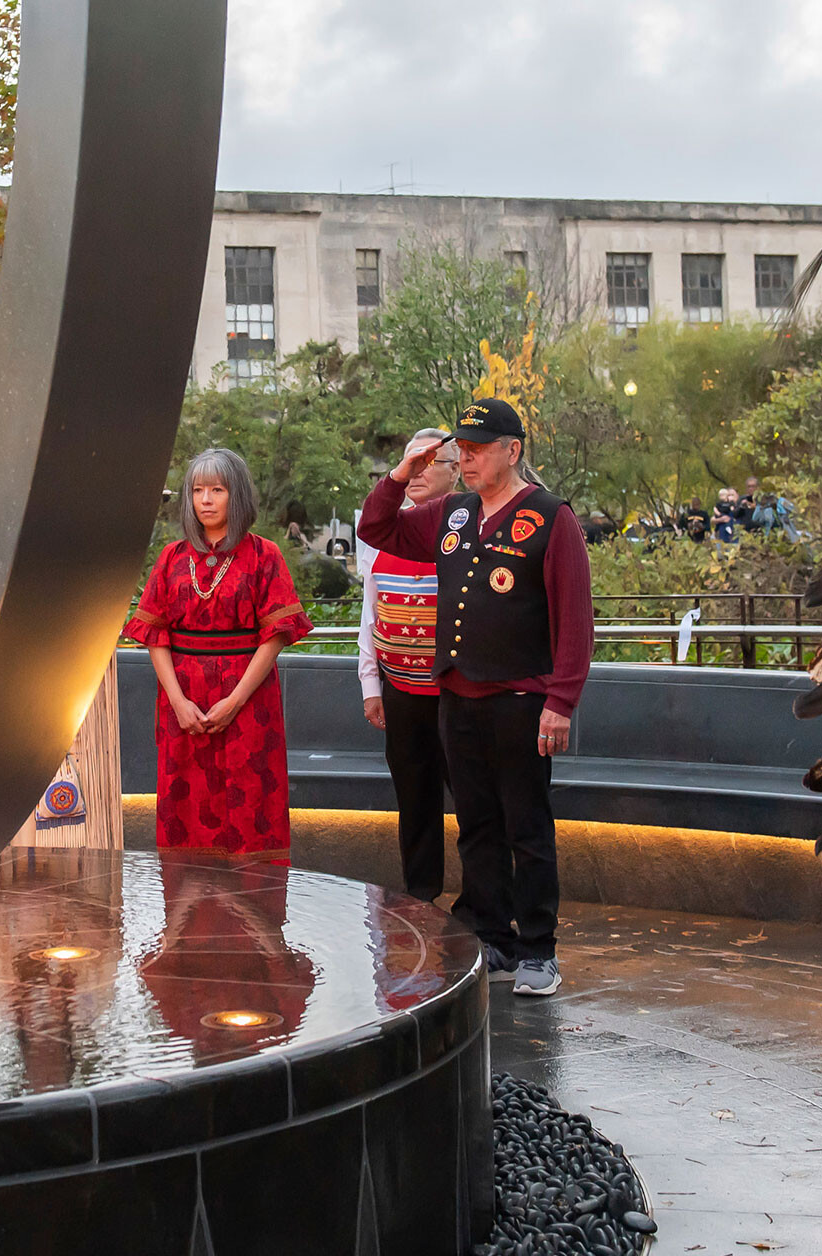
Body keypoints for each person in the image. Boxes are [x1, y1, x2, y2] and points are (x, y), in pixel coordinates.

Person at [359, 397, 593, 999]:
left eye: (478, 447)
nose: (465, 457)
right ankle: (494, 938)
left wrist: (560, 701)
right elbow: (377, 529)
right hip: (456, 697)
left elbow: (574, 619)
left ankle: (539, 948)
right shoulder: (452, 512)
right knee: (478, 827)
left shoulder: (548, 516)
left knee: (528, 828)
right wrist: (401, 474)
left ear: (512, 451)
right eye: (461, 447)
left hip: (520, 699)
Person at [124, 448, 313, 858]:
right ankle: (187, 914)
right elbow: (154, 634)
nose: (205, 499)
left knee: (251, 803)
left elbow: (277, 635)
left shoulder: (265, 555)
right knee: (185, 805)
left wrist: (235, 700)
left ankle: (252, 914)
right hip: (183, 698)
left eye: (217, 489)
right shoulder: (172, 558)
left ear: (237, 495)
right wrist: (177, 701)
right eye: (197, 490)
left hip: (249, 697)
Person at [356, 429, 459, 900]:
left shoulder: (467, 527)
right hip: (401, 691)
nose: (416, 471)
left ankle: (482, 911)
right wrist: (370, 684)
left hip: (459, 696)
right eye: (409, 461)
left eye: (428, 461)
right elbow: (369, 614)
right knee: (414, 801)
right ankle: (422, 899)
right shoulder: (384, 533)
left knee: (475, 804)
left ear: (457, 470)